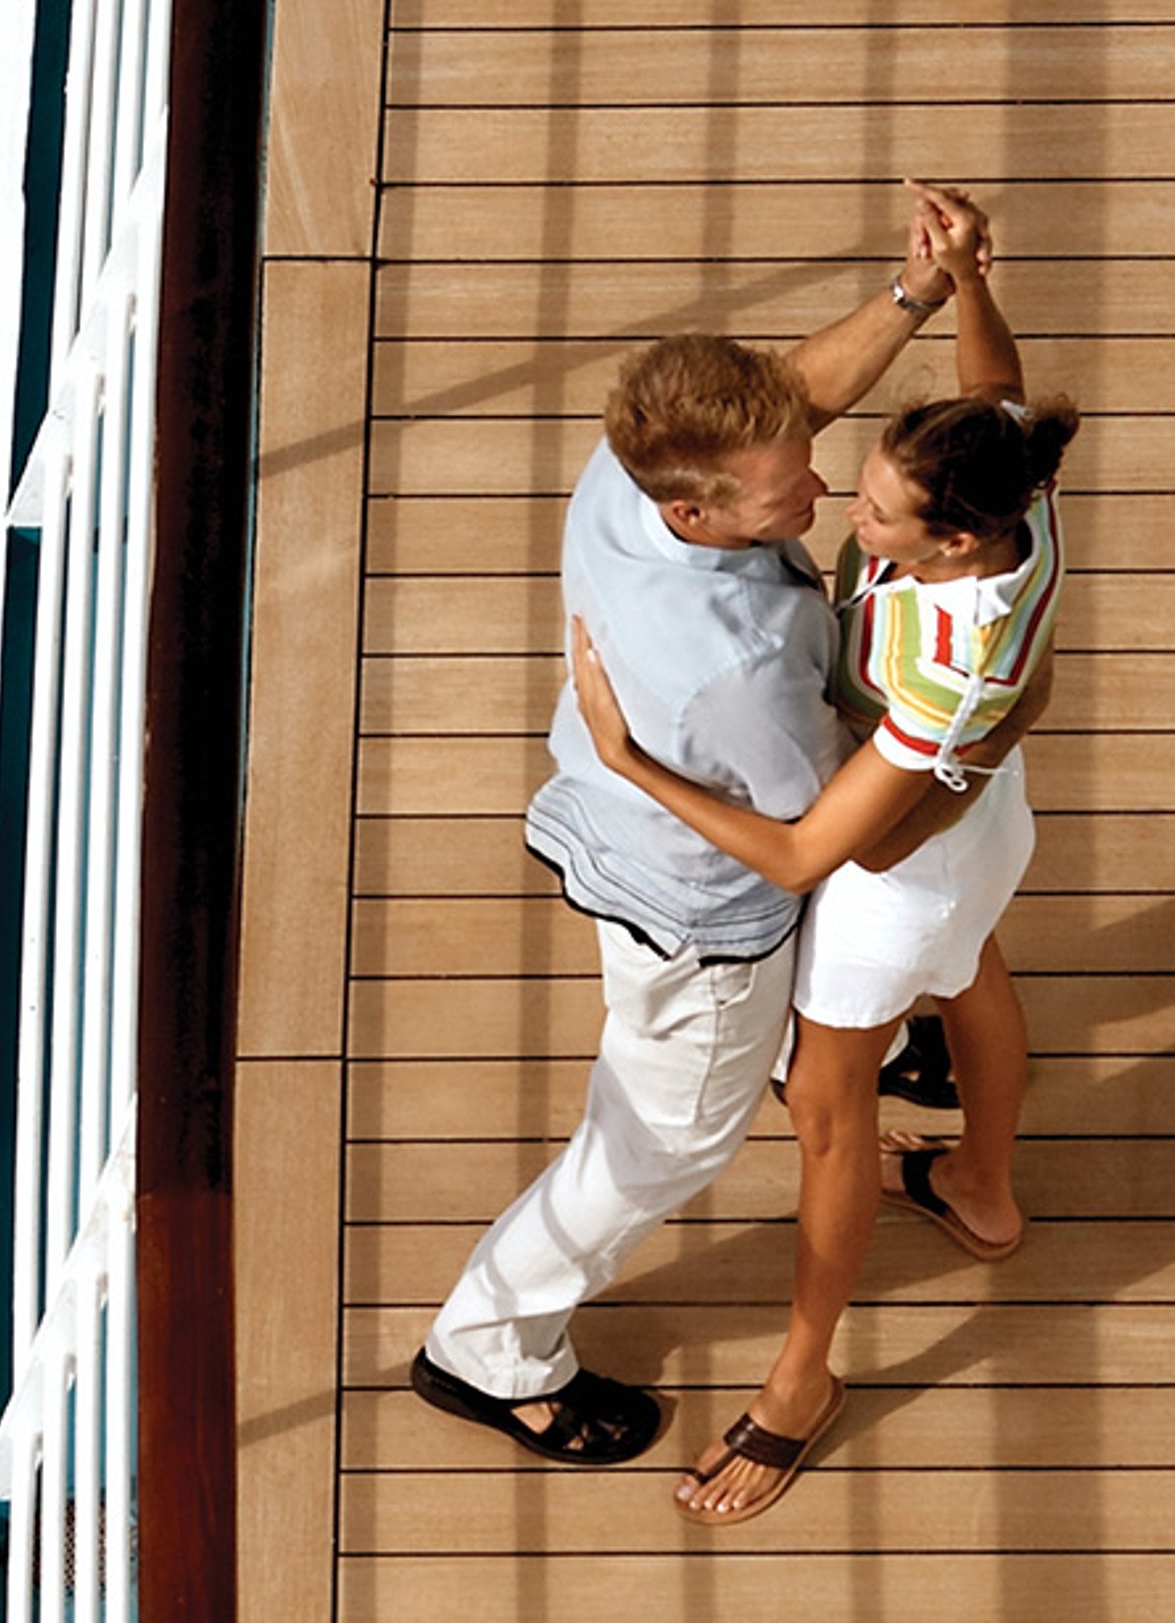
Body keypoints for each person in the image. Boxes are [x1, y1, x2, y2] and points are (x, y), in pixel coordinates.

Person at [406, 182, 993, 1470]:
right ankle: (487, 1349)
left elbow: (795, 398)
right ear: (701, 513)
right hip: (704, 916)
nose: (824, 484)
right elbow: (819, 842)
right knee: (663, 1142)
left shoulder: (633, 469)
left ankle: (893, 1041)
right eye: (792, 489)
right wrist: (970, 765)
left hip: (613, 817)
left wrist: (920, 295)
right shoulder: (737, 672)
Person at [569, 206, 1075, 1524]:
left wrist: (633, 764)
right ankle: (982, 1193)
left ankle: (803, 1374)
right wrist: (960, 280)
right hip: (983, 824)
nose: (845, 506)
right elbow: (996, 391)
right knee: (973, 973)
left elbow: (808, 846)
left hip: (894, 874)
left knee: (830, 1113)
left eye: (877, 509)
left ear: (952, 543)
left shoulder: (943, 655)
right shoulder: (1003, 482)